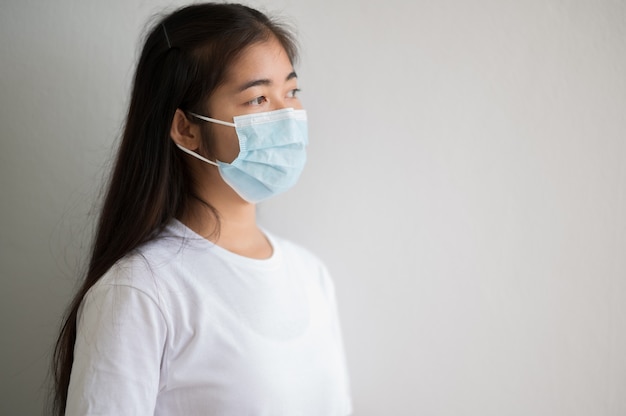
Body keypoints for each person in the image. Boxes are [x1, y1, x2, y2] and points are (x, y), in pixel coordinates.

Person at [51, 3, 352, 415]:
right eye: (258, 99)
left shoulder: (311, 275)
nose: (288, 115)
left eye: (292, 91)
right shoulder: (141, 290)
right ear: (187, 128)